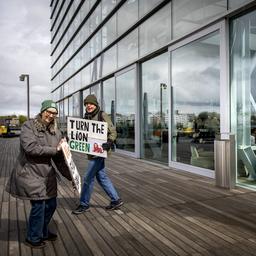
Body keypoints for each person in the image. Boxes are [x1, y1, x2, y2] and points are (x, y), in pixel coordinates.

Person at [6, 100, 72, 249]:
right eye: (48, 111)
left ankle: (42, 230)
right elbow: (31, 148)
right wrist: (55, 149)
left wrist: (71, 177)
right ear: (42, 111)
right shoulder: (29, 126)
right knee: (39, 206)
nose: (51, 115)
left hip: (47, 175)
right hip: (30, 172)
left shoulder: (56, 131)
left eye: (54, 113)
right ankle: (33, 237)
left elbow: (60, 159)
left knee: (51, 204)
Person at [72, 94, 123, 215]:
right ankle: (116, 200)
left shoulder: (102, 115)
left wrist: (109, 142)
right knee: (101, 177)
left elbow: (113, 131)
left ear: (96, 104)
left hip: (100, 152)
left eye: (91, 103)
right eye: (87, 104)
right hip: (91, 153)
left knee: (87, 178)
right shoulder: (86, 117)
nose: (89, 106)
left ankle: (84, 204)